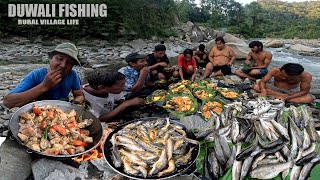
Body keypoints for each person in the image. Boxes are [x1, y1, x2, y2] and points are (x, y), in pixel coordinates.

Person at [3, 42, 84, 108]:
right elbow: (8, 102)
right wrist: (44, 86)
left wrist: (73, 104)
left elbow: (79, 95)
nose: (63, 65)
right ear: (50, 58)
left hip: (61, 109)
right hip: (38, 110)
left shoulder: (72, 75)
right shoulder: (36, 75)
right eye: (59, 59)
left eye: (69, 62)